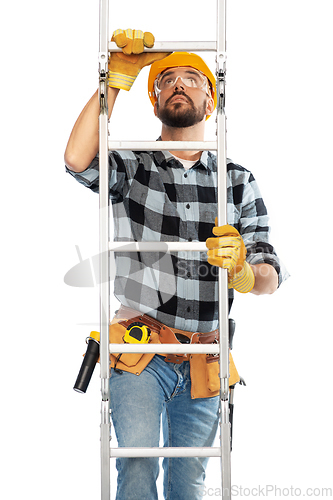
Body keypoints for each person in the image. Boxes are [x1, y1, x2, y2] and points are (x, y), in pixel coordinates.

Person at [65, 29, 288, 500]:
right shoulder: (133, 165)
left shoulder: (238, 180)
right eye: (166, 79)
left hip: (206, 357)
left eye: (193, 77)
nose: (179, 84)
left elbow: (269, 275)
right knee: (139, 467)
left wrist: (245, 271)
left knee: (189, 482)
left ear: (211, 99)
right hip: (142, 353)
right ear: (154, 99)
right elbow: (76, 158)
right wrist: (116, 78)